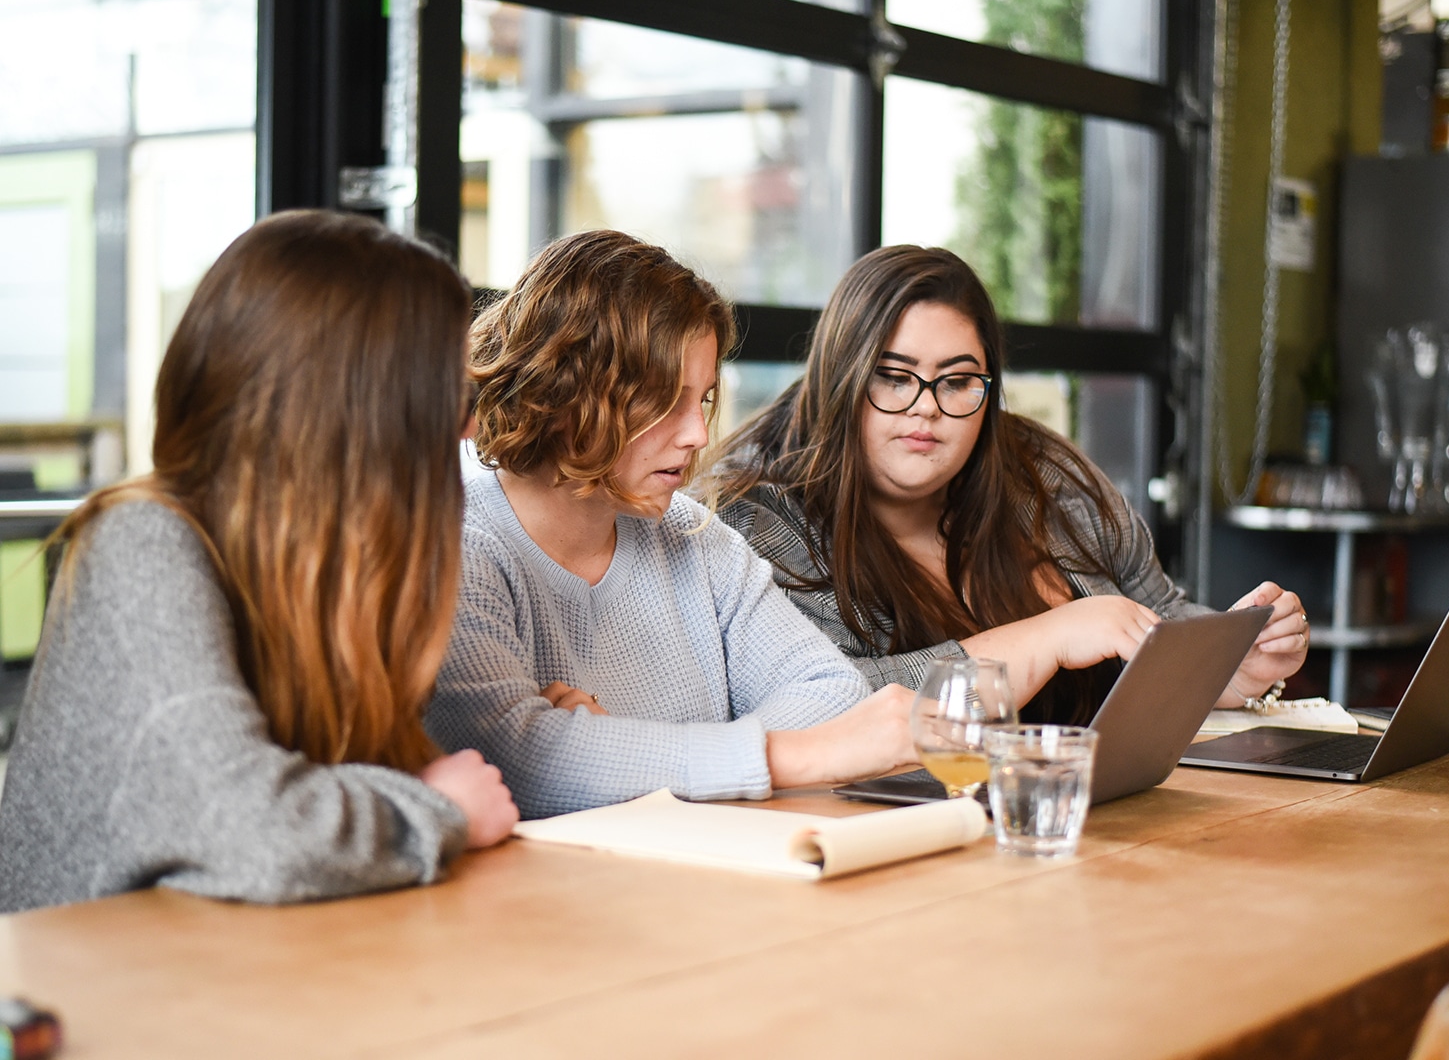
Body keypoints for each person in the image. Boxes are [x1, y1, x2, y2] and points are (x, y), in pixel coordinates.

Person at [0, 210, 518, 914]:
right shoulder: (142, 542)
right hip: (93, 1004)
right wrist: (435, 809)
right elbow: (255, 831)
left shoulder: (318, 574)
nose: (466, 425)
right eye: (454, 397)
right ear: (363, 413)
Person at [707, 245, 1310, 725]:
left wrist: (1232, 664)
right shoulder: (753, 523)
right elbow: (823, 704)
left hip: (1089, 821)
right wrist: (1048, 636)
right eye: (894, 377)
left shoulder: (1041, 472)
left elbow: (1159, 617)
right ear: (842, 378)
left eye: (957, 380)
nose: (927, 409)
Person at [427, 230, 914, 819]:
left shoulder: (694, 537)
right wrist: (789, 759)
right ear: (567, 389)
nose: (699, 435)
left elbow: (834, 694)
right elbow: (519, 762)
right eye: (664, 401)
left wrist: (615, 752)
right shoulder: (456, 546)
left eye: (702, 399)